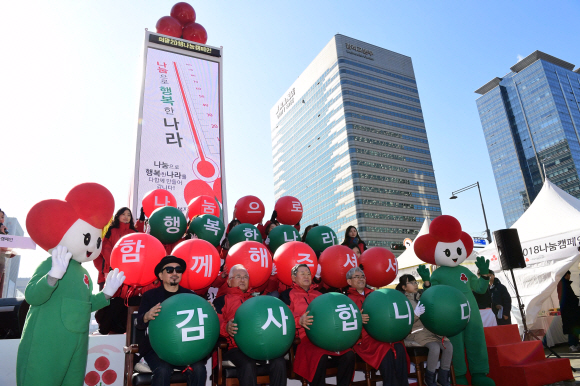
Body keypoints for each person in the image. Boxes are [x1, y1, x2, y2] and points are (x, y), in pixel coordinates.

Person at [136, 256, 207, 386]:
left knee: (199, 369)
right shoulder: (150, 296)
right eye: (169, 270)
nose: (174, 273)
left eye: (178, 270)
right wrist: (146, 316)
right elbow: (139, 324)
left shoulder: (191, 297)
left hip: (186, 348)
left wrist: (208, 311)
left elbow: (202, 324)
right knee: (163, 370)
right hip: (157, 350)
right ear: (160, 275)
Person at [280, 264, 355, 386]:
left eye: (309, 274)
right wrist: (299, 321)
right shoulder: (287, 295)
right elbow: (284, 316)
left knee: (349, 354)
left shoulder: (321, 294)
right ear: (293, 278)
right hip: (304, 340)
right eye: (302, 273)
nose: (306, 276)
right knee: (320, 356)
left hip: (327, 337)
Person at [214, 264, 287, 386]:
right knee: (248, 363)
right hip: (235, 347)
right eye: (238, 276)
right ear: (229, 281)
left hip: (260, 345)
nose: (242, 280)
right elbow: (216, 324)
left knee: (279, 361)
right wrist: (226, 328)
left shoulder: (257, 300)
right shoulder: (222, 301)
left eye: (245, 277)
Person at [347, 267, 409, 386]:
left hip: (383, 333)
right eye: (357, 276)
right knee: (384, 348)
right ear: (349, 281)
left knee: (399, 346)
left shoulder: (376, 295)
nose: (361, 279)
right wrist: (357, 319)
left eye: (362, 276)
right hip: (364, 339)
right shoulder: (346, 300)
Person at [397, 274, 452, 386]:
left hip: (430, 331)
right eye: (411, 283)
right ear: (404, 287)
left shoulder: (422, 297)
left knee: (448, 346)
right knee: (435, 347)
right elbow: (404, 323)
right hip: (415, 332)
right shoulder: (403, 302)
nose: (415, 285)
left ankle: (443, 377)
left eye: (415, 282)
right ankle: (429, 378)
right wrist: (415, 315)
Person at [95, 207, 139, 289]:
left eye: (128, 215)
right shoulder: (111, 230)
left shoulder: (135, 233)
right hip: (110, 271)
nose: (126, 216)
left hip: (129, 272)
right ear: (118, 216)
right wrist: (113, 264)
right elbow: (105, 248)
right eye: (123, 214)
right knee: (107, 298)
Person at [557, 271, 580, 352]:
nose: (569, 276)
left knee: (575, 328)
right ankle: (572, 345)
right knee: (572, 329)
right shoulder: (564, 285)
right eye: (569, 275)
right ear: (566, 275)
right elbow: (570, 299)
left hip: (571, 311)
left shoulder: (563, 284)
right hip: (569, 312)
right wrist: (577, 300)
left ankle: (576, 344)